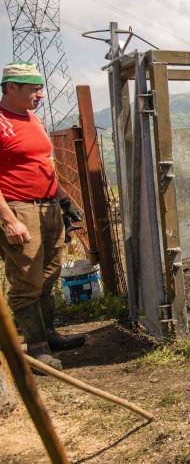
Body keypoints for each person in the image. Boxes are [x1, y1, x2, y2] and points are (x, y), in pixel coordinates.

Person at [0, 60, 86, 371]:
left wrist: (63, 200)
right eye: (34, 89)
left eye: (41, 89)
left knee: (49, 274)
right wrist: (9, 220)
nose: (41, 95)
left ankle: (49, 335)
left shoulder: (34, 120)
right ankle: (36, 350)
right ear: (11, 87)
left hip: (48, 205)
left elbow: (43, 165)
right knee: (27, 280)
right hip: (18, 207)